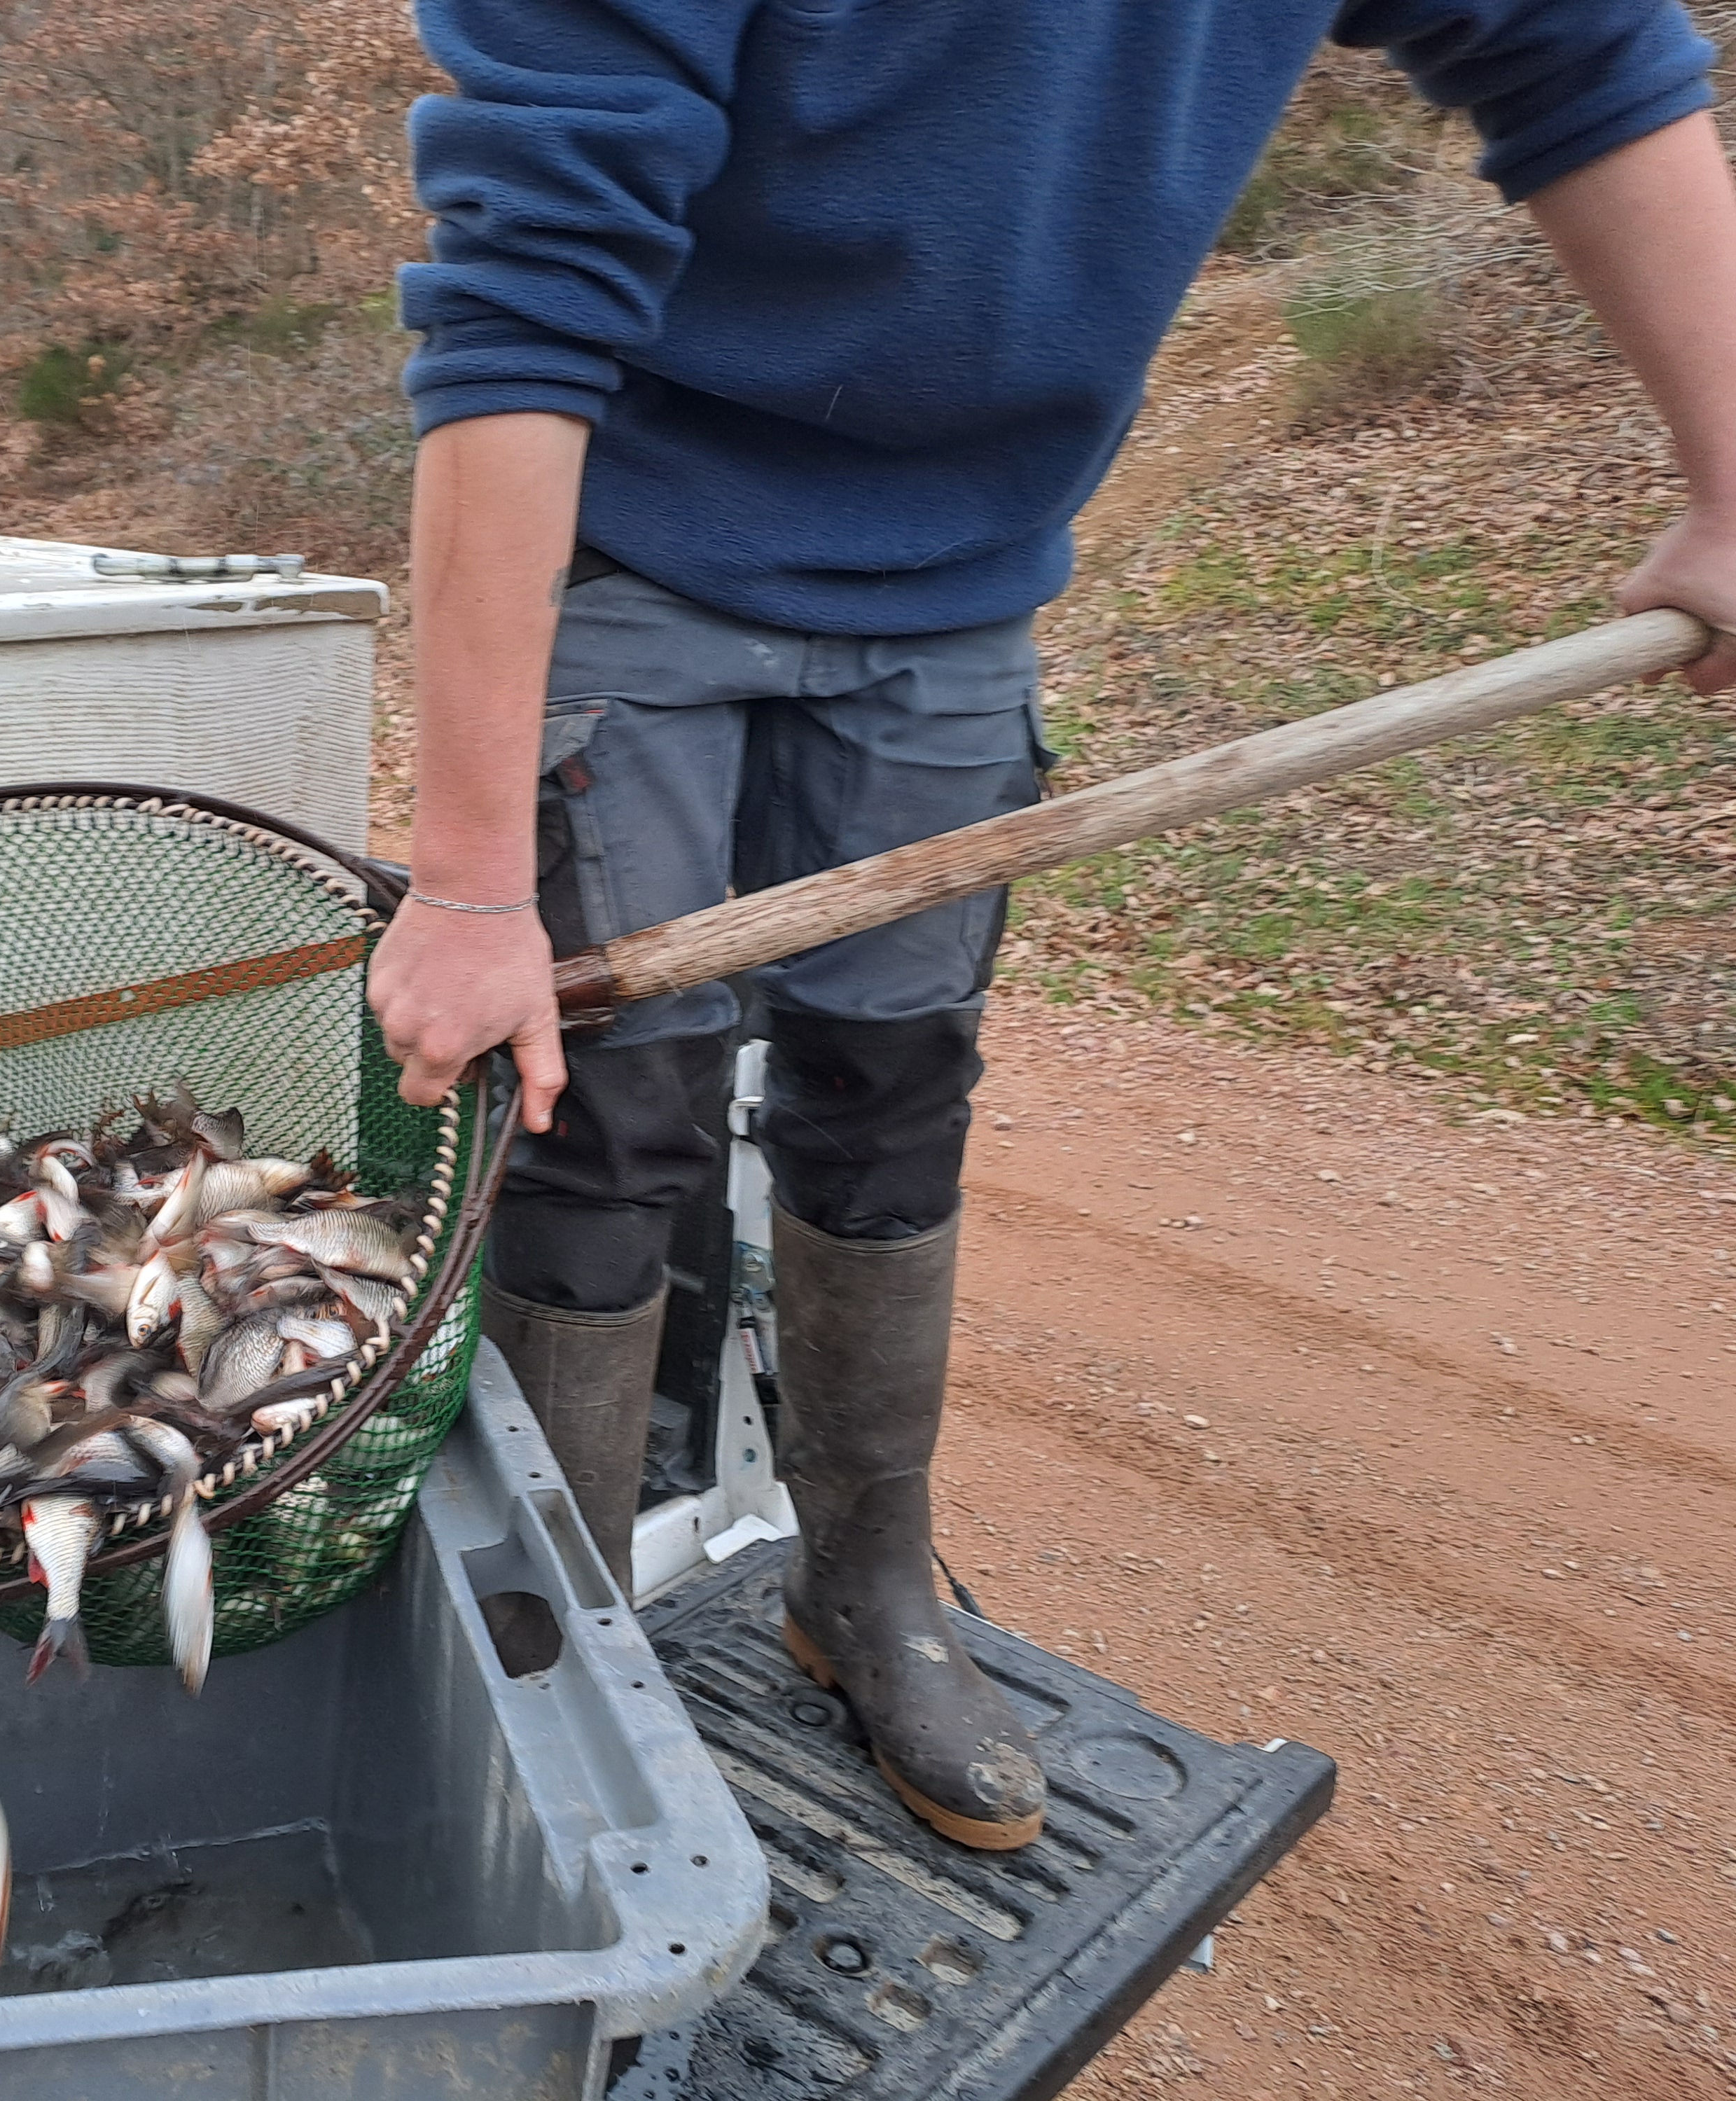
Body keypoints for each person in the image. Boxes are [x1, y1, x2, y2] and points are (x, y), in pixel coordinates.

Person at [370, 0, 1736, 1852]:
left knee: (891, 1088)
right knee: (595, 1124)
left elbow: (1580, 60)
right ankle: (557, 1659)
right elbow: (529, 283)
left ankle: (869, 1592)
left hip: (960, 584)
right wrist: (464, 879)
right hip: (626, 549)